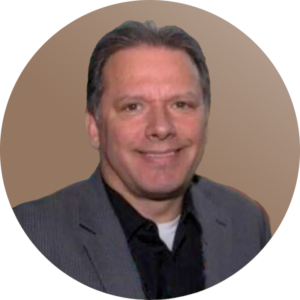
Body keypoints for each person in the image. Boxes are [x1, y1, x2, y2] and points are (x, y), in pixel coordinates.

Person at [13, 20, 271, 299]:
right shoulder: (25, 237)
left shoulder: (246, 221)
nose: (161, 127)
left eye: (181, 104)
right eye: (133, 107)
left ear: (206, 119)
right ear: (94, 127)